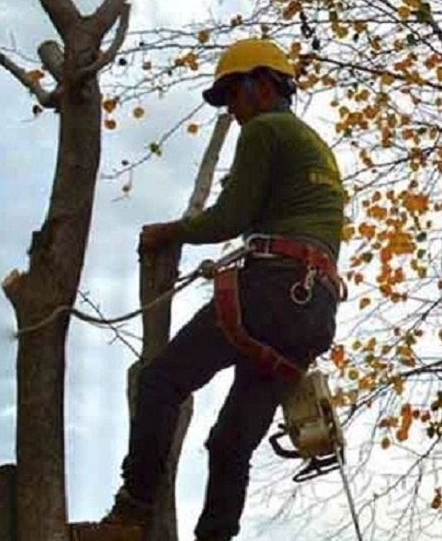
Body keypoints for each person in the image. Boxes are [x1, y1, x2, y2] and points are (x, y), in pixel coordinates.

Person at [101, 38, 345, 540]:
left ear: (259, 85)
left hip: (274, 290)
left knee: (161, 381)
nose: (232, 112)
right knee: (230, 444)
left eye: (232, 97)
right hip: (312, 310)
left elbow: (229, 217)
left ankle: (133, 508)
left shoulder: (265, 130)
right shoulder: (311, 144)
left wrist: (169, 232)